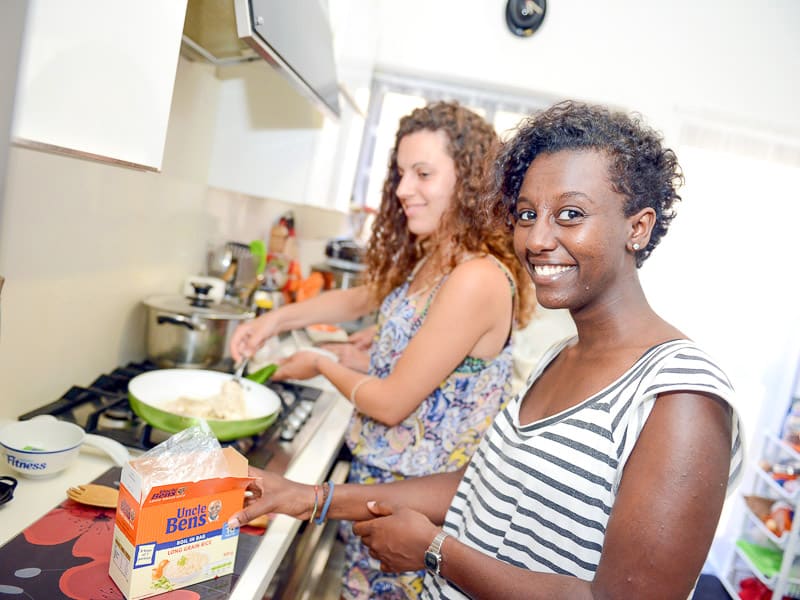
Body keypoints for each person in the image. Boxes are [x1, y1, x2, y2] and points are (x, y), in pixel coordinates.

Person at [228, 100, 744, 599]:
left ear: (638, 227)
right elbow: (483, 485)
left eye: (569, 214)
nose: (538, 238)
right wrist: (310, 498)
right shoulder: (561, 356)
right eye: (525, 213)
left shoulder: (681, 397)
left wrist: (435, 551)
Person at [229, 101, 534, 599]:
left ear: (470, 181)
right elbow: (366, 296)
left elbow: (392, 403)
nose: (402, 189)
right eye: (400, 173)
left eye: (422, 173)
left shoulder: (477, 277)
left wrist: (322, 364)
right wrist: (275, 319)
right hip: (379, 492)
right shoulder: (437, 255)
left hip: (420, 509)